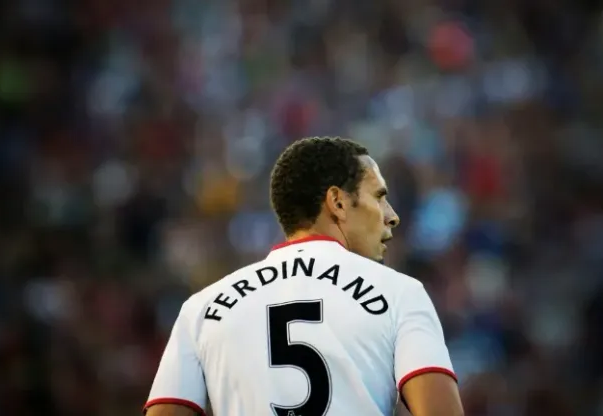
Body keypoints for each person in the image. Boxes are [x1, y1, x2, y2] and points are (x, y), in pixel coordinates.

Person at [144, 137, 463, 416]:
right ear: (338, 202)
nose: (391, 216)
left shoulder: (201, 309)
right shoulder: (400, 293)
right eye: (378, 197)